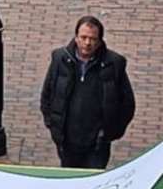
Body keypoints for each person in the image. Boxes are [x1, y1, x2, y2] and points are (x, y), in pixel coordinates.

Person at [39, 15, 136, 169]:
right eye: (83, 37)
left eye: (92, 39)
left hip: (97, 145)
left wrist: (111, 132)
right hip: (67, 143)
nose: (87, 43)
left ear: (100, 41)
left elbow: (127, 104)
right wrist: (53, 125)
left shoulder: (114, 64)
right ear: (76, 37)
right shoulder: (60, 59)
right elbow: (47, 95)